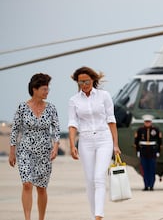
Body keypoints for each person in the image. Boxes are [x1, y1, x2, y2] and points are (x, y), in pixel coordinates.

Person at [68, 66, 121, 220]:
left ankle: (99, 215)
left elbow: (111, 120)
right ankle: (93, 216)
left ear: (93, 80)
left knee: (99, 177)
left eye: (86, 81)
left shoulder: (104, 96)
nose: (84, 85)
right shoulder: (74, 100)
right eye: (80, 82)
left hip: (104, 139)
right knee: (90, 181)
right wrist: (72, 145)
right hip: (85, 141)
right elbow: (72, 124)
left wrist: (115, 145)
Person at [8, 73, 60, 220]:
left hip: (44, 152)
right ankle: (27, 218)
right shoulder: (22, 108)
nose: (47, 91)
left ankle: (41, 218)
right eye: (44, 89)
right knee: (27, 184)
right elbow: (15, 130)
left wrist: (55, 147)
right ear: (35, 89)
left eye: (48, 88)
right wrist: (12, 152)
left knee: (42, 188)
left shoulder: (51, 108)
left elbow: (56, 130)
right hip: (25, 151)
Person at [134, 114, 163, 191]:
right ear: (144, 122)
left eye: (149, 122)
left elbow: (160, 142)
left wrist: (158, 152)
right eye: (146, 122)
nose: (147, 123)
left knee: (152, 170)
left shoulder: (155, 130)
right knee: (145, 170)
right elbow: (136, 142)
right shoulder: (140, 130)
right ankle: (146, 185)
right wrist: (138, 151)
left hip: (152, 152)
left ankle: (152, 185)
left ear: (151, 122)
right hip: (143, 152)